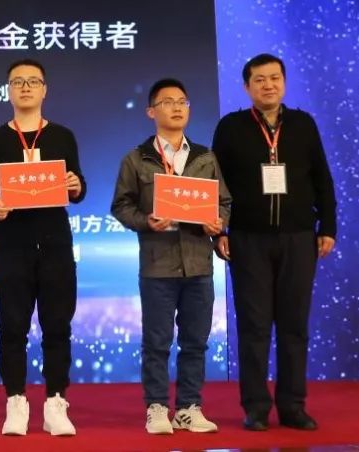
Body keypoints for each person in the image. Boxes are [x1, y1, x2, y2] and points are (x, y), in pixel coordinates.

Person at [211, 53, 337, 432]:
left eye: (275, 78)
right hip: (248, 239)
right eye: (260, 79)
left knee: (294, 326)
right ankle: (255, 407)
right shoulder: (231, 127)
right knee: (254, 327)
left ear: (284, 82)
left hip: (299, 238)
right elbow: (216, 184)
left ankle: (293, 406)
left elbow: (322, 179)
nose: (268, 85)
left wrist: (328, 227)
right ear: (247, 86)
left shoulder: (303, 124)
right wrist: (220, 231)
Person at [0, 58, 85, 437]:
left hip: (55, 245)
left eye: (32, 81)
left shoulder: (63, 136)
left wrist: (75, 186)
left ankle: (55, 402)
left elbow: (79, 185)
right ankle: (16, 401)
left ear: (44, 90)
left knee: (57, 325)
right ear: (8, 90)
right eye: (17, 81)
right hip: (11, 246)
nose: (25, 87)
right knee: (12, 326)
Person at [111, 78, 231, 435]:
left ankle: (189, 407)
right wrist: (145, 221)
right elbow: (121, 205)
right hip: (157, 265)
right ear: (151, 111)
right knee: (157, 342)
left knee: (196, 342)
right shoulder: (137, 159)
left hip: (198, 264)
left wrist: (218, 222)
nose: (177, 108)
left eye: (182, 102)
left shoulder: (205, 157)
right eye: (167, 102)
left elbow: (224, 201)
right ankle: (157, 407)